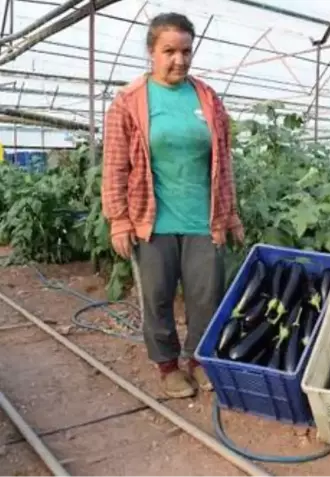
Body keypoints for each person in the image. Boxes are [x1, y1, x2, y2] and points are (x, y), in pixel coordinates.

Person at [101, 12, 244, 399]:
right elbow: (115, 164)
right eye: (169, 51)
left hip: (204, 218)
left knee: (207, 296)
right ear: (152, 52)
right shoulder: (129, 101)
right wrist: (118, 219)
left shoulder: (208, 99)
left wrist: (230, 214)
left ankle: (198, 360)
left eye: (186, 51)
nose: (179, 60)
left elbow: (223, 161)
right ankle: (167, 366)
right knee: (157, 296)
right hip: (152, 219)